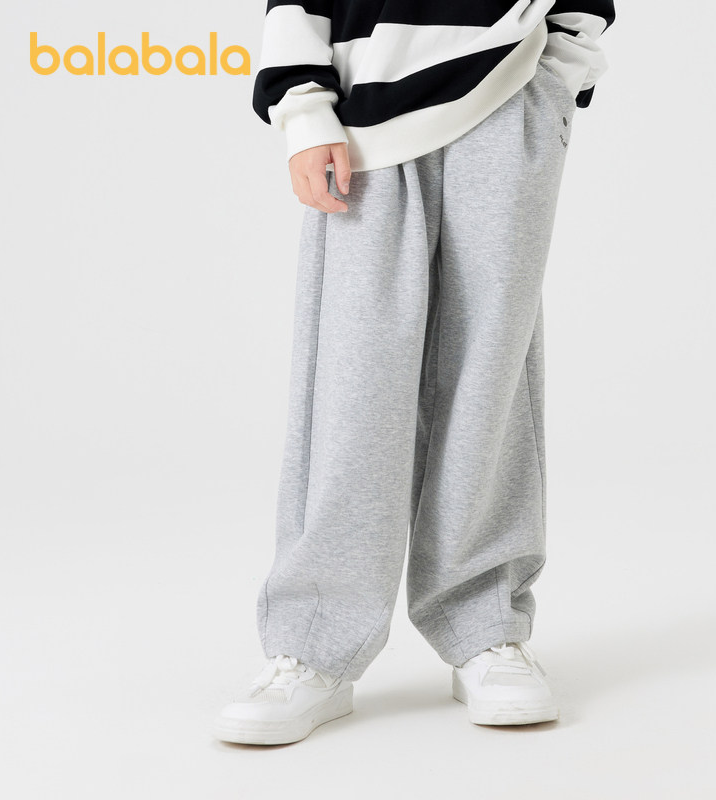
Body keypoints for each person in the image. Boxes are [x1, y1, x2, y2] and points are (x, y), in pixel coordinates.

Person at [214, 0, 615, 746]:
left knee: (490, 377)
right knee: (351, 387)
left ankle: (485, 626)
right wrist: (303, 107)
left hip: (509, 94)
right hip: (365, 115)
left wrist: (554, 79)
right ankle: (314, 642)